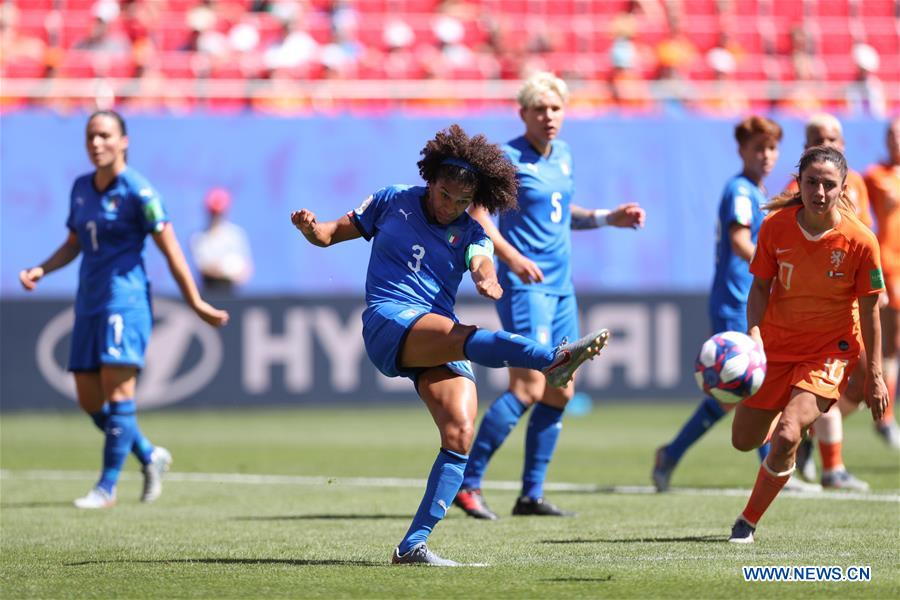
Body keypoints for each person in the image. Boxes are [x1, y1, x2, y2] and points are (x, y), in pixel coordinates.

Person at [291, 124, 609, 566]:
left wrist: (488, 277)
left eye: (462, 202)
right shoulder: (391, 200)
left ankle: (413, 545)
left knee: (460, 430)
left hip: (432, 329)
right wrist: (311, 229)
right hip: (388, 318)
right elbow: (328, 234)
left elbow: (481, 264)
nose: (450, 207)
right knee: (466, 339)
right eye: (445, 195)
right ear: (431, 180)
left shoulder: (472, 232)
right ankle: (551, 360)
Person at [452, 72, 645, 521]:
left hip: (561, 287)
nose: (548, 116)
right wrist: (510, 256)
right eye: (539, 109)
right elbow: (477, 211)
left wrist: (605, 217)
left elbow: (561, 215)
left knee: (562, 387)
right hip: (525, 285)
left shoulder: (564, 156)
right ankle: (468, 483)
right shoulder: (507, 158)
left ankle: (530, 495)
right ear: (523, 113)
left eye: (555, 108)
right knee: (530, 384)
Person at [19, 110, 229, 509]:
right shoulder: (81, 188)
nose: (97, 143)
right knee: (88, 399)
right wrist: (42, 269)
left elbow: (171, 252)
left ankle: (106, 487)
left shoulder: (139, 192)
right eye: (91, 137)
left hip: (125, 301)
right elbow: (74, 242)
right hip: (88, 300)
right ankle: (149, 455)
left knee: (119, 394)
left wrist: (196, 301)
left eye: (105, 136)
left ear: (124, 141)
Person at [652, 116, 826, 493]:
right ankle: (772, 464)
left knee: (732, 390)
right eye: (758, 148)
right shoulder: (740, 191)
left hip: (749, 300)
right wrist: (779, 271)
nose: (766, 155)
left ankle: (670, 455)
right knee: (750, 385)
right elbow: (740, 241)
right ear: (742, 150)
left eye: (772, 148)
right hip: (735, 300)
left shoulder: (756, 190)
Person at [729, 146, 889, 543]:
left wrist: (875, 375)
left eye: (829, 184)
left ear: (843, 188)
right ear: (798, 183)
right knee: (743, 440)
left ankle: (746, 522)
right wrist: (754, 334)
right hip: (777, 348)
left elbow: (870, 313)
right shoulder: (775, 227)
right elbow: (760, 287)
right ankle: (788, 435)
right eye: (812, 182)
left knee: (787, 434)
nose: (820, 191)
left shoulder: (860, 241)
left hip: (829, 351)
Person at [786, 113, 873, 491]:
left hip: (853, 297)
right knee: (825, 380)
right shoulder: (801, 190)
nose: (828, 143)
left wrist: (874, 284)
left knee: (855, 388)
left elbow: (865, 236)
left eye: (833, 137)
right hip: (818, 305)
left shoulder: (856, 187)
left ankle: (810, 444)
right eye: (818, 138)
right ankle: (830, 466)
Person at [863, 117, 900, 447]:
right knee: (892, 341)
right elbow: (859, 207)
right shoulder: (876, 176)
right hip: (891, 267)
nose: (895, 140)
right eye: (890, 134)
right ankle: (884, 416)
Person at [191, 187, 253, 295]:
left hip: (232, 293)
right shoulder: (199, 238)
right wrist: (223, 270)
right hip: (208, 293)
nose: (216, 216)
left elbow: (246, 270)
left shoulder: (236, 235)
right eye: (213, 212)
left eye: (218, 212)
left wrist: (234, 273)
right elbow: (202, 267)